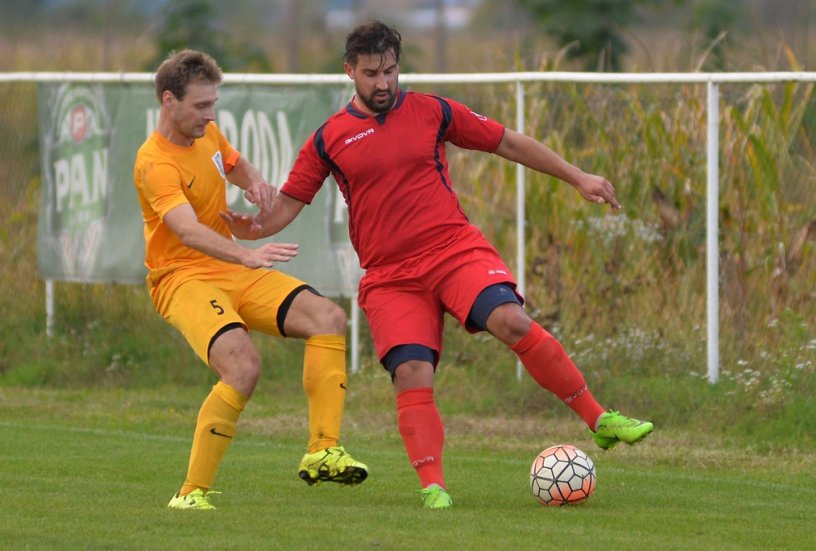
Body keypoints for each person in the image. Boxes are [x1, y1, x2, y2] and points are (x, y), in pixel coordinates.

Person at [223, 20, 653, 510]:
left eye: (389, 70)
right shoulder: (330, 139)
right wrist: (249, 229)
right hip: (390, 277)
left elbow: (508, 142)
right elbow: (285, 207)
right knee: (411, 372)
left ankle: (600, 420)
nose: (383, 83)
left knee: (511, 319)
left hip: (453, 250)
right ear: (349, 72)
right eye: (370, 74)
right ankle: (434, 489)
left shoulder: (434, 111)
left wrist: (577, 177)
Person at [133, 49, 367, 511]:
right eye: (201, 106)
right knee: (242, 366)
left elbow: (234, 163)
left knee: (327, 317)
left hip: (233, 269)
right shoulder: (154, 163)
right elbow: (187, 231)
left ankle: (323, 451)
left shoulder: (209, 133)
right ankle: (190, 494)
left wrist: (256, 184)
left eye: (213, 104)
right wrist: (247, 254)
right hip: (182, 280)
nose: (210, 114)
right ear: (169, 101)